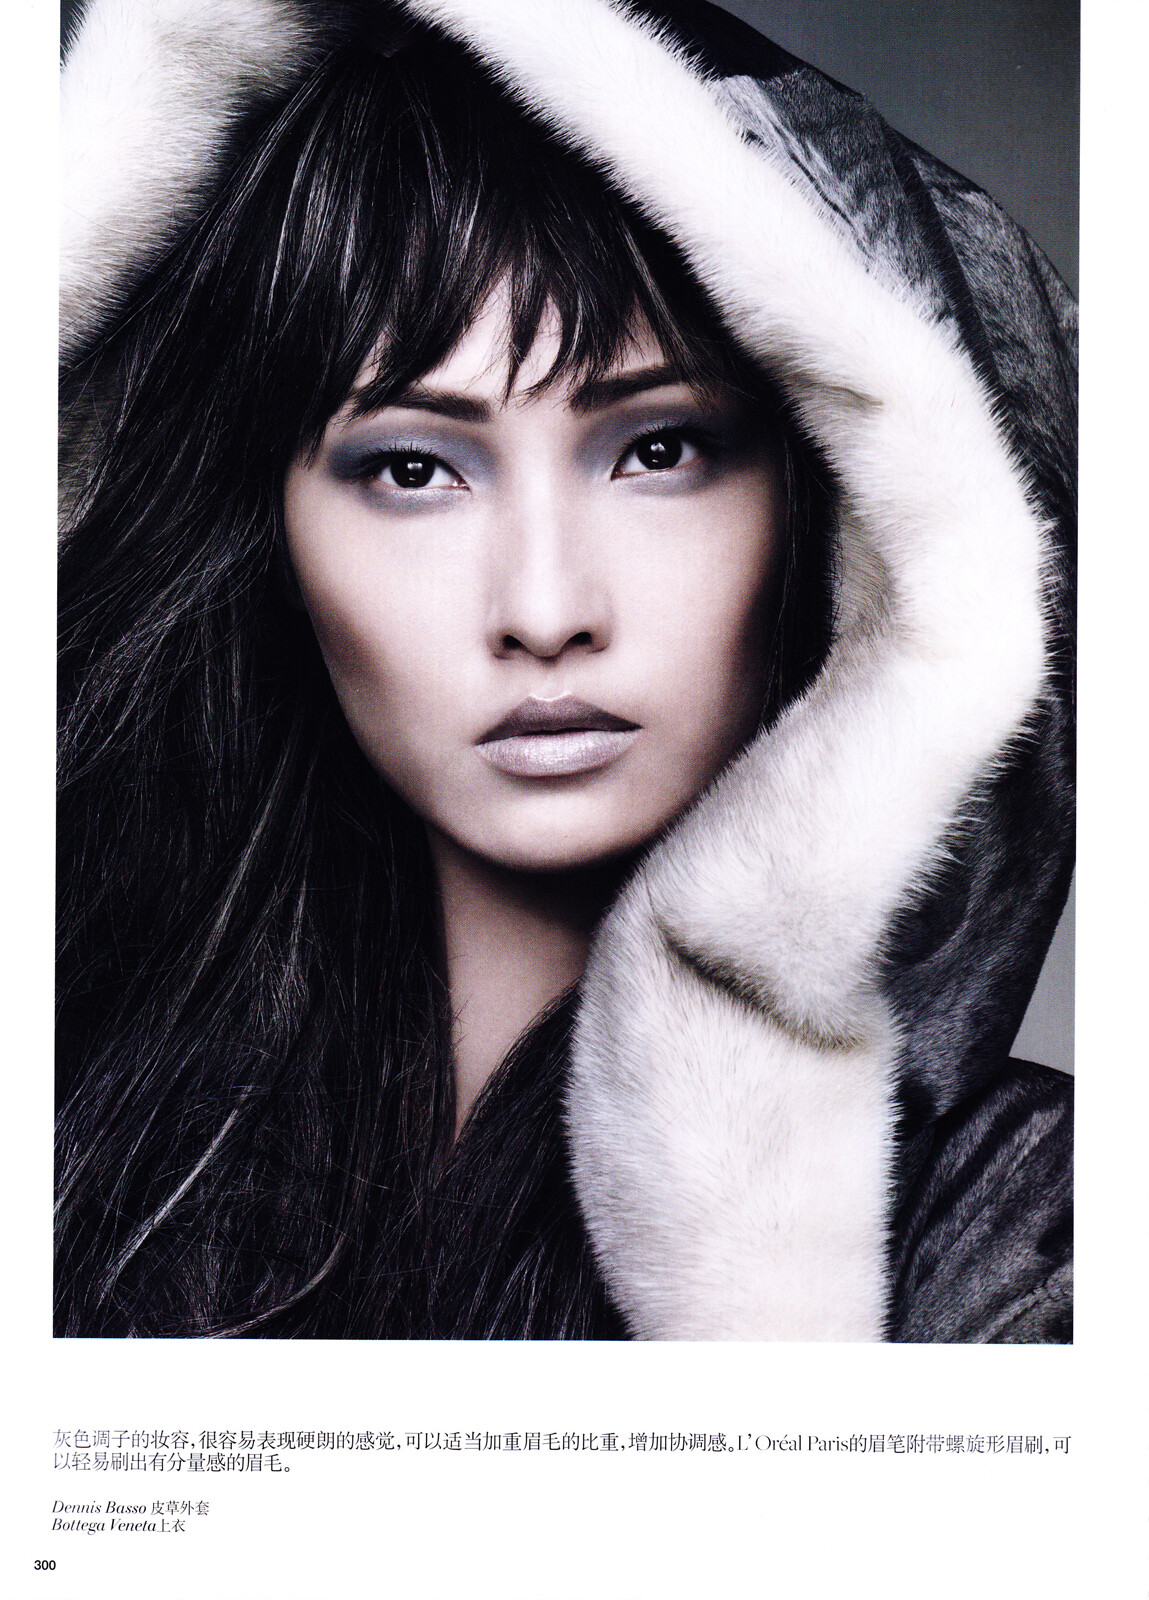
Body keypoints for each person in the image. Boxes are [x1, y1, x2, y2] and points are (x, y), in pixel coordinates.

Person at [57, 0, 1075, 1341]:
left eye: (657, 450)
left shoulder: (1040, 1233)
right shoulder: (77, 1141)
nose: (544, 611)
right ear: (276, 536)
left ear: (837, 507)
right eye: (412, 468)